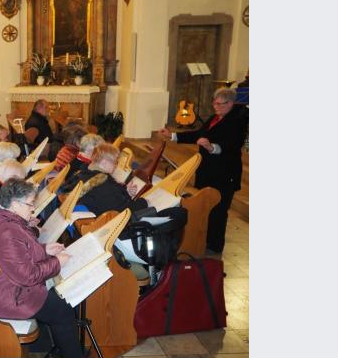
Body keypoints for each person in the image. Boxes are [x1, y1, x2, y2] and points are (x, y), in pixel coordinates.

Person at [0, 179, 112, 358]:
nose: (33, 208)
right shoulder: (6, 230)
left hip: (7, 284)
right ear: (15, 203)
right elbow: (27, 276)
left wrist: (44, 249)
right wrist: (57, 263)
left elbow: (21, 249)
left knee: (60, 300)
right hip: (10, 295)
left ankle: (64, 346)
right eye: (31, 204)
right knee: (62, 309)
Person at [159, 87, 249, 254]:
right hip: (208, 171)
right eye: (214, 103)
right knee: (206, 207)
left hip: (225, 174)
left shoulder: (239, 119)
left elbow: (233, 144)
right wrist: (173, 136)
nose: (216, 107)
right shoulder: (216, 117)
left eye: (220, 104)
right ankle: (203, 240)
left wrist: (212, 147)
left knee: (219, 210)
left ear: (230, 103)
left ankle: (214, 247)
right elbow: (199, 134)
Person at [75, 143, 148, 215]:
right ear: (104, 162)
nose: (116, 166)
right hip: (105, 221)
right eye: (115, 162)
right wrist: (144, 202)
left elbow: (113, 199)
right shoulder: (103, 184)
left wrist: (126, 191)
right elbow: (122, 211)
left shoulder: (86, 172)